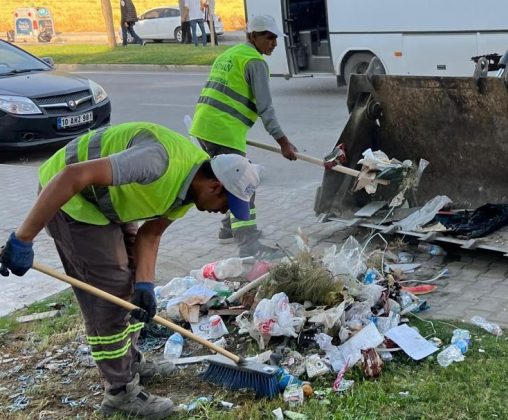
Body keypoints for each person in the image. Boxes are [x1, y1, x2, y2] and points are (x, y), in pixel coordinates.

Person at [0, 122, 259, 419]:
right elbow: (73, 176)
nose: (223, 212)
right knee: (111, 298)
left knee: (133, 291)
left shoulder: (189, 191)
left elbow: (150, 235)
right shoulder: (159, 162)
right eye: (227, 204)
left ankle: (130, 362)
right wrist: (23, 239)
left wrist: (145, 285)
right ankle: (120, 392)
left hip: (108, 202)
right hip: (71, 196)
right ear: (215, 187)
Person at [189, 14, 297, 258]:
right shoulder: (254, 62)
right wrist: (283, 143)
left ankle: (228, 228)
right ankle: (249, 247)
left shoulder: (230, 54)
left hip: (204, 126)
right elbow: (265, 108)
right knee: (243, 184)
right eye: (269, 37)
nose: (274, 43)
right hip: (223, 131)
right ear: (253, 36)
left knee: (231, 181)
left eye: (276, 38)